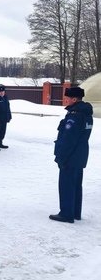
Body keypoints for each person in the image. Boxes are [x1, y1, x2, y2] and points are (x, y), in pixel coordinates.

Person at [50, 87, 93, 223]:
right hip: (80, 155)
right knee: (75, 184)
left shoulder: (75, 115)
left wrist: (61, 157)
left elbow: (69, 140)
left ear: (74, 99)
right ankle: (75, 212)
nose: (65, 99)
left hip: (70, 156)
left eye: (67, 97)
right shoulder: (86, 114)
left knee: (66, 184)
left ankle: (66, 214)